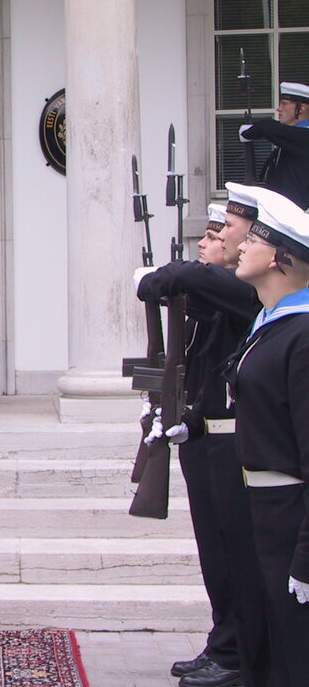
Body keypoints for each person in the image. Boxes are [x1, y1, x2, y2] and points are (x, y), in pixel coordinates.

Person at [136, 202, 268, 687]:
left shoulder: (243, 292)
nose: (206, 244)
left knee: (237, 554)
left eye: (220, 233)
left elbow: (182, 278)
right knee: (216, 554)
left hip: (234, 444)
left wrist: (166, 275)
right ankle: (223, 641)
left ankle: (237, 653)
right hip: (204, 436)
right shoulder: (217, 294)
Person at [224, 186, 309, 686]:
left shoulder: (300, 335)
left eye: (253, 239)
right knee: (270, 645)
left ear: (278, 258)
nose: (241, 247)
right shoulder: (271, 325)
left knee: (295, 649)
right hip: (261, 504)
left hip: (290, 510)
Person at [239, 81, 309, 207]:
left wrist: (247, 133)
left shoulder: (303, 136)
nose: (279, 109)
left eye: (284, 104)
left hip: (295, 214)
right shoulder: (292, 138)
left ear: (302, 108)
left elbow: (266, 126)